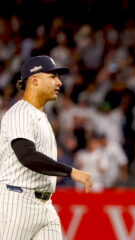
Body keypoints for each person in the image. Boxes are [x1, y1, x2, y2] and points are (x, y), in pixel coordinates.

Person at [0, 55, 93, 240]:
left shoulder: (41, 116)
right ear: (34, 80)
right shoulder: (20, 112)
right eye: (52, 76)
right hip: (17, 201)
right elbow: (26, 155)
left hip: (45, 205)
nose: (59, 82)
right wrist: (71, 172)